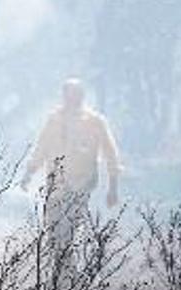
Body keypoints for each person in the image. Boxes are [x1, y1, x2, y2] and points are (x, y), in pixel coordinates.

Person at [22, 78, 121, 272]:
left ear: (81, 96)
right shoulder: (54, 119)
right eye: (68, 94)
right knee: (53, 228)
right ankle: (61, 271)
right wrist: (29, 172)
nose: (71, 99)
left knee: (70, 228)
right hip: (56, 182)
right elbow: (41, 147)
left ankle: (67, 272)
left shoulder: (94, 121)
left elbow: (110, 153)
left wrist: (113, 187)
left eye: (75, 94)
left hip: (81, 182)